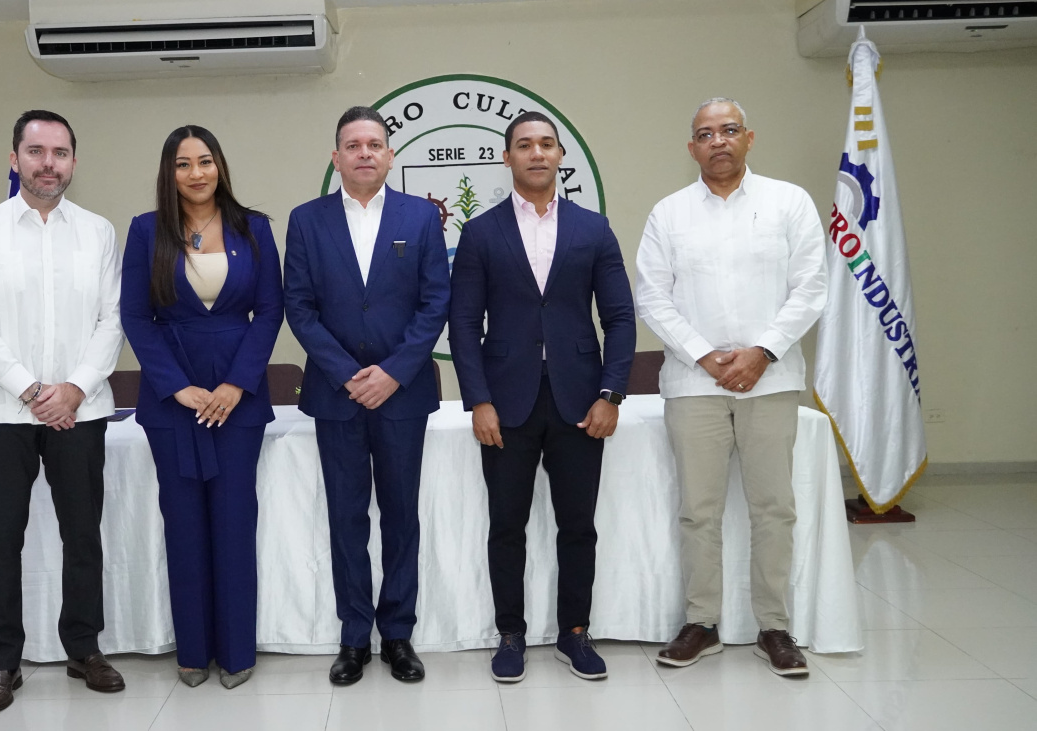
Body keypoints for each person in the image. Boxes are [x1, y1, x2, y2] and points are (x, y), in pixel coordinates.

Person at [635, 97, 827, 677]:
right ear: (691, 148)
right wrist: (704, 355)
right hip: (694, 384)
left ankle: (775, 628)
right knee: (698, 511)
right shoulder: (668, 213)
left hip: (772, 379)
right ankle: (702, 623)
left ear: (749, 138)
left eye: (729, 130)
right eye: (705, 134)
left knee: (774, 509)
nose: (717, 140)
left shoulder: (789, 202)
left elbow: (811, 287)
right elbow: (652, 296)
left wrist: (762, 352)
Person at [448, 112, 636, 683]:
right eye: (524, 145)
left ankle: (575, 632)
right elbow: (463, 323)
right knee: (507, 525)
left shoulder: (593, 228)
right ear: (507, 158)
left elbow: (620, 317)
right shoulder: (481, 232)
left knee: (578, 525)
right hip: (506, 404)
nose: (536, 153)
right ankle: (511, 634)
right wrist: (478, 399)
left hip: (581, 402)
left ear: (560, 156)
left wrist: (611, 393)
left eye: (546, 144)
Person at [0, 109, 126, 714]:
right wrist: (31, 390)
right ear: (14, 158)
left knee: (83, 534)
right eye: (36, 151)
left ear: (74, 161)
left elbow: (112, 320)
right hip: (2, 413)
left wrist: (73, 389)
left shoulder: (98, 232)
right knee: (2, 539)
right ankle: (2, 662)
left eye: (60, 152)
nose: (48, 164)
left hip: (82, 409)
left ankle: (84, 648)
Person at [283, 106, 450, 685]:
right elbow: (298, 306)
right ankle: (354, 636)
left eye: (374, 144)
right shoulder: (306, 220)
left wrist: (393, 373)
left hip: (402, 395)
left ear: (389, 155)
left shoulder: (420, 217)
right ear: (336, 158)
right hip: (337, 396)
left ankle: (398, 635)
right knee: (347, 517)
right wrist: (347, 373)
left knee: (401, 516)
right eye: (352, 145)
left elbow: (436, 301)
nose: (364, 153)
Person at [120, 125, 283, 690]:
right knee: (184, 525)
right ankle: (193, 651)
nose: (196, 173)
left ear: (220, 167)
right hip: (173, 402)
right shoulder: (146, 231)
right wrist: (176, 387)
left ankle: (236, 652)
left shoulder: (253, 227)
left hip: (239, 400)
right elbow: (136, 316)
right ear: (169, 173)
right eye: (183, 163)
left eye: (205, 161)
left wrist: (237, 384)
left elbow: (270, 311)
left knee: (235, 523)